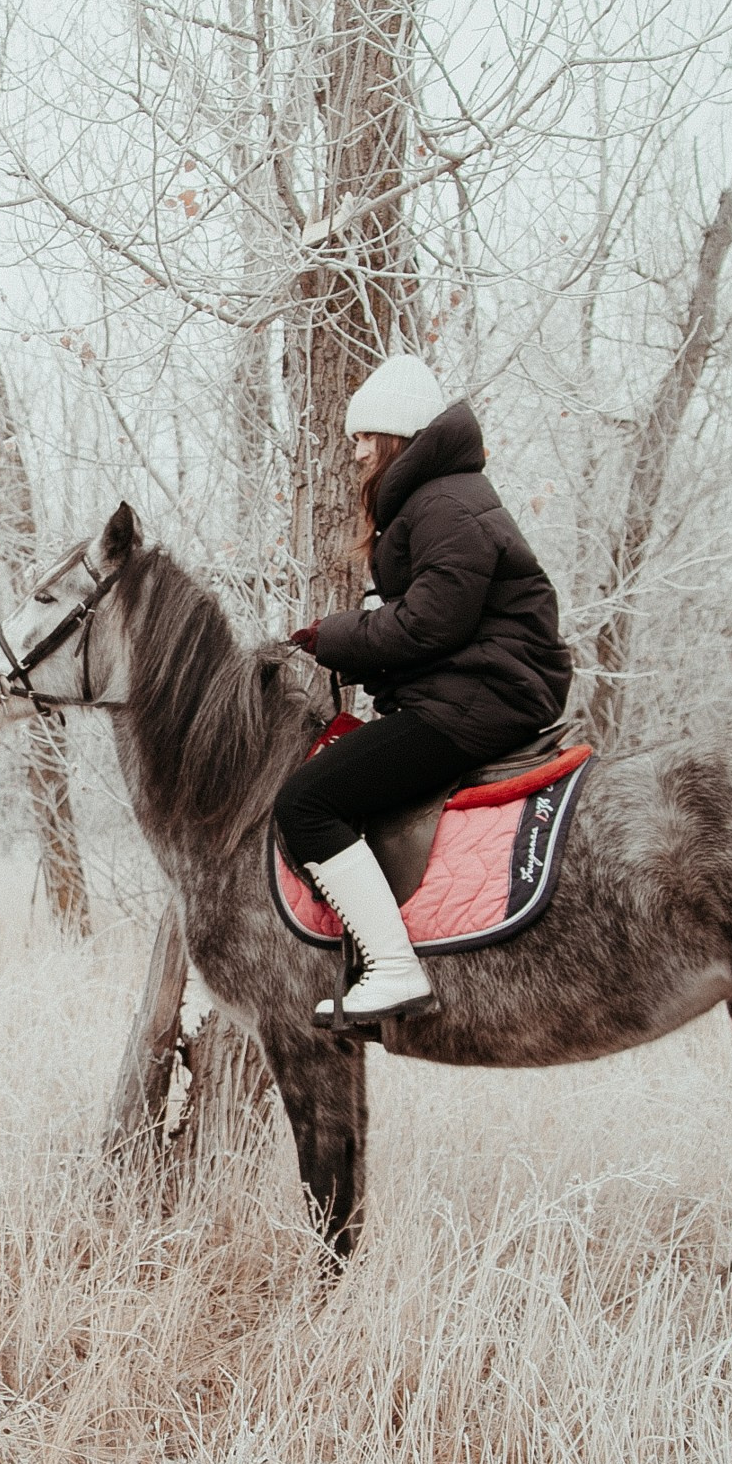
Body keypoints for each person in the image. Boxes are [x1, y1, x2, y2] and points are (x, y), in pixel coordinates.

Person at [275, 356, 573, 1024]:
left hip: (482, 700)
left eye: (361, 439)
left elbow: (433, 622)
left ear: (393, 440)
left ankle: (393, 968)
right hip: (476, 691)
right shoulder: (441, 499)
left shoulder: (443, 503)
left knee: (306, 800)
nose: (353, 455)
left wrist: (338, 636)